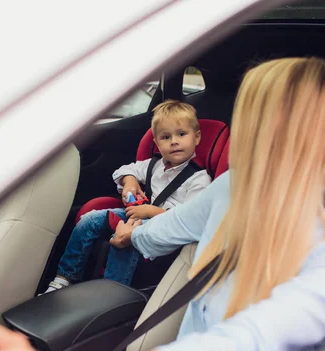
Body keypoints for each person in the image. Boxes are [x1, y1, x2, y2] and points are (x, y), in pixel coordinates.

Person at [0, 57, 325, 351]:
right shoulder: (231, 188)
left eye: (250, 118)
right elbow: (161, 233)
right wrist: (130, 232)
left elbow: (244, 346)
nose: (240, 130)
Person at [42, 100, 211, 293]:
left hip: (166, 228)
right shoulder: (153, 165)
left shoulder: (199, 179)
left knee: (127, 236)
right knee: (90, 220)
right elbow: (123, 170)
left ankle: (112, 292)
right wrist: (130, 182)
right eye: (165, 137)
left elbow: (188, 219)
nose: (174, 141)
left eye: (181, 134)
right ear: (156, 143)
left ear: (196, 137)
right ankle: (64, 278)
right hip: (139, 214)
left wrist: (151, 211)